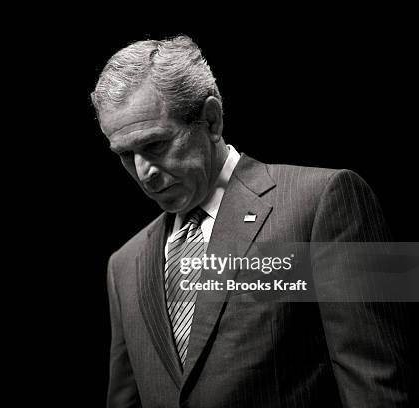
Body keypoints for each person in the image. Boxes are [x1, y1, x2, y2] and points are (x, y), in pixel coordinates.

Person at [91, 35, 413, 407]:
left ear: (211, 120)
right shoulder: (123, 266)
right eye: (125, 155)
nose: (143, 172)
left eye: (155, 145)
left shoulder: (330, 197)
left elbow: (380, 386)